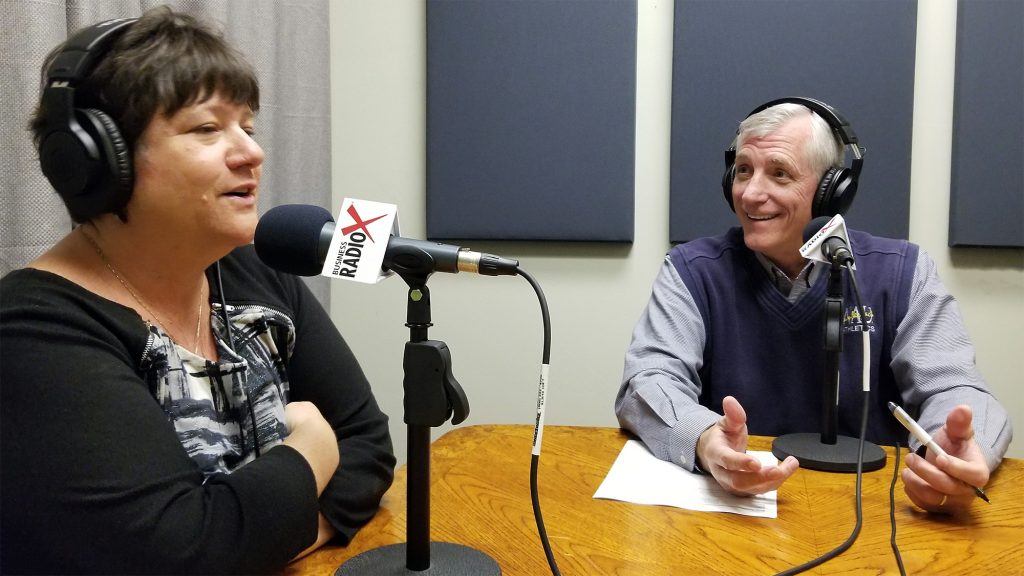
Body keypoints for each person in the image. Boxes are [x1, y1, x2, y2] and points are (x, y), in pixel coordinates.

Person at [0, 8, 395, 573]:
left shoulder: (257, 271)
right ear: (97, 162)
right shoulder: (34, 331)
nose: (251, 153)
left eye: (248, 128)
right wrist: (311, 450)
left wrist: (264, 536)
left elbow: (367, 441)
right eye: (207, 129)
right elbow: (183, 551)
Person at [616, 97, 1012, 513]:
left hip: (869, 513)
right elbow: (647, 381)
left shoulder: (904, 274)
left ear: (832, 192)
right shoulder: (692, 272)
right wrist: (704, 438)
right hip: (738, 515)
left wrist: (959, 453)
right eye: (744, 170)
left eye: (780, 173)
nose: (750, 194)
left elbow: (957, 388)